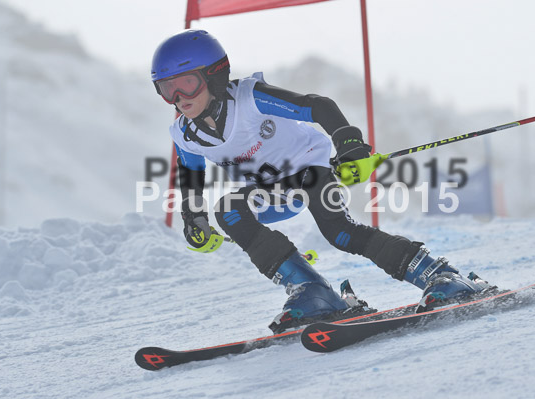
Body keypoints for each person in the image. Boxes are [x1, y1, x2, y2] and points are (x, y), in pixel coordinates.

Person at [151, 30, 491, 333]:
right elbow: (192, 179)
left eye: (188, 83)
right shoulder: (186, 134)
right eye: (168, 89)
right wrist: (193, 217)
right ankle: (312, 290)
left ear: (214, 75)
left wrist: (349, 143)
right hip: (272, 193)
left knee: (339, 232)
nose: (180, 97)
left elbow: (318, 106)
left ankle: (439, 274)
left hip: (310, 171)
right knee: (230, 210)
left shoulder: (249, 98)